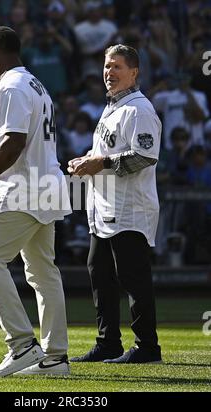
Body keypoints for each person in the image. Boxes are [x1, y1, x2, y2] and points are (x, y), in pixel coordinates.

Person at [0, 26, 71, 377]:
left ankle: (22, 344)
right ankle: (55, 358)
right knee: (43, 272)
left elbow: (13, 143)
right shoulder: (37, 84)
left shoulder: (10, 85)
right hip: (46, 184)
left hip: (22, 189)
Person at [68, 44, 162, 364]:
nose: (109, 73)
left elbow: (146, 156)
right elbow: (105, 155)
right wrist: (88, 162)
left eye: (116, 67)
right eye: (107, 66)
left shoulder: (139, 109)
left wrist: (101, 164)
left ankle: (148, 347)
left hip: (130, 208)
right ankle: (108, 343)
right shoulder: (112, 107)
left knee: (133, 277)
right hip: (105, 208)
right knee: (99, 271)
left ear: (134, 72)